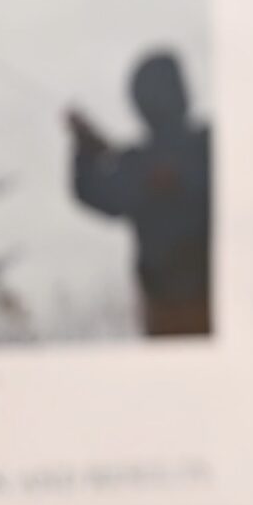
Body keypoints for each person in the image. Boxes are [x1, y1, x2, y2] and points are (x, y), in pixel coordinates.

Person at [67, 49, 214, 337]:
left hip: (198, 304)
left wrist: (89, 153)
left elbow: (96, 192)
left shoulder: (203, 146)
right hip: (166, 309)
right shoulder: (143, 161)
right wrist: (86, 148)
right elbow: (95, 192)